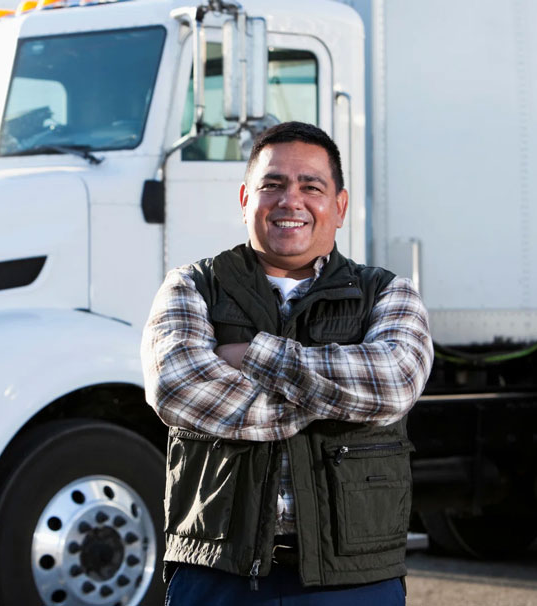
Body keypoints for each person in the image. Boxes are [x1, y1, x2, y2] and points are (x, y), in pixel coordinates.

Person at [140, 121, 432, 605]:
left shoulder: (389, 293)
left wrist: (254, 354)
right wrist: (334, 400)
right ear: (245, 200)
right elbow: (177, 388)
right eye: (272, 185)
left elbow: (393, 383)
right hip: (217, 575)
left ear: (339, 206)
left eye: (310, 187)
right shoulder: (190, 286)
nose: (290, 201)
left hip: (353, 580)